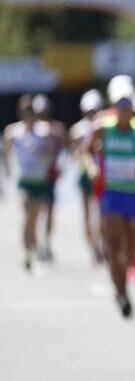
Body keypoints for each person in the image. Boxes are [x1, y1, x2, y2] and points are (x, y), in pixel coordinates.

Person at [82, 79, 135, 317]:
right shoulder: (101, 126)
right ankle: (121, 294)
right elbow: (85, 150)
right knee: (113, 248)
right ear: (113, 104)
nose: (124, 107)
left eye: (127, 102)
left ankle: (123, 281)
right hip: (112, 194)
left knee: (131, 250)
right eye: (119, 103)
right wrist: (92, 168)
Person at [3, 94, 56, 270]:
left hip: (40, 179)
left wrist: (43, 153)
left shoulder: (44, 131)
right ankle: (26, 252)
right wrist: (8, 169)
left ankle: (34, 245)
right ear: (21, 113)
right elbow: (5, 149)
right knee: (26, 216)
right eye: (25, 112)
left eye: (31, 112)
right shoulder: (13, 132)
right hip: (24, 180)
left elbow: (50, 154)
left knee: (35, 217)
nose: (28, 116)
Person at [69, 89, 105, 264]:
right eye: (89, 110)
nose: (92, 114)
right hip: (85, 174)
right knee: (87, 214)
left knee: (99, 213)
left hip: (101, 174)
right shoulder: (77, 130)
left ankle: (99, 245)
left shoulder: (104, 125)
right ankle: (93, 248)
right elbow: (74, 154)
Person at [32, 94, 65, 261]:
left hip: (50, 177)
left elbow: (63, 149)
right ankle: (35, 244)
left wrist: (61, 167)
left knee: (50, 212)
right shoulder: (31, 129)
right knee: (35, 212)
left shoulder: (56, 128)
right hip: (35, 177)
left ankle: (46, 242)